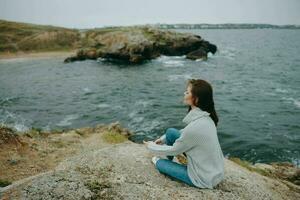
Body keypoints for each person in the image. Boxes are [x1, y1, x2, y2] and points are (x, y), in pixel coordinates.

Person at [143, 79, 225, 189]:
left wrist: (151, 146)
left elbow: (176, 149)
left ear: (196, 99)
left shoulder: (195, 127)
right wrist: (164, 139)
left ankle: (164, 161)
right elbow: (186, 133)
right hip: (213, 170)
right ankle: (168, 159)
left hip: (202, 178)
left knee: (159, 163)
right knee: (170, 132)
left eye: (187, 92)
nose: (184, 93)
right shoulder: (207, 118)